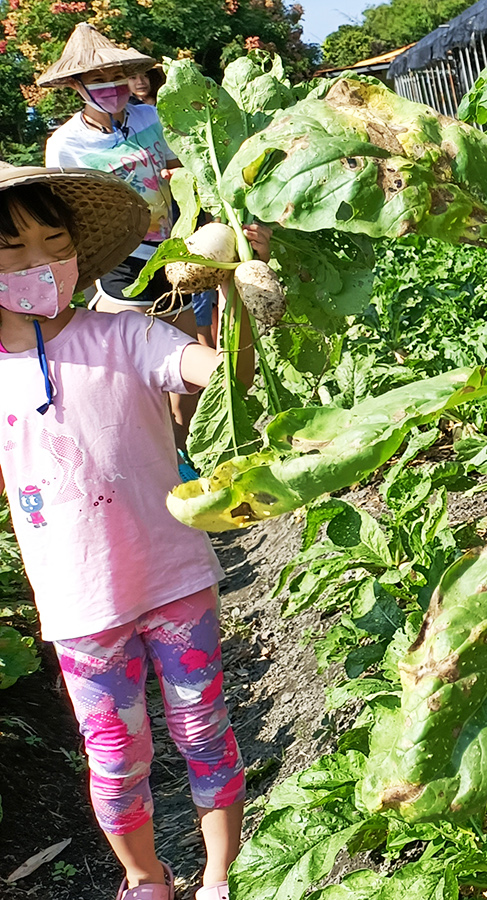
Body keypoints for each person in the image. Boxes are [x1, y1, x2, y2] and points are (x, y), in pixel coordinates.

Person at [1, 164, 259, 900]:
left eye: (53, 243)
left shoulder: (127, 336)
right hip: (80, 603)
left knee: (203, 727)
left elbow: (216, 370)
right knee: (115, 754)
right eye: (13, 251)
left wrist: (236, 294)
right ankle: (145, 877)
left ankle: (218, 876)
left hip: (174, 578)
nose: (38, 264)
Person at [36, 26, 210, 471]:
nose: (111, 88)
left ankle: (186, 452)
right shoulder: (66, 145)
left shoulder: (151, 118)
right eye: (98, 80)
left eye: (117, 77)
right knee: (138, 374)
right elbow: (67, 210)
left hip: (173, 256)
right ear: (77, 86)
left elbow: (179, 165)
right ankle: (158, 462)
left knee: (186, 369)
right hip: (122, 263)